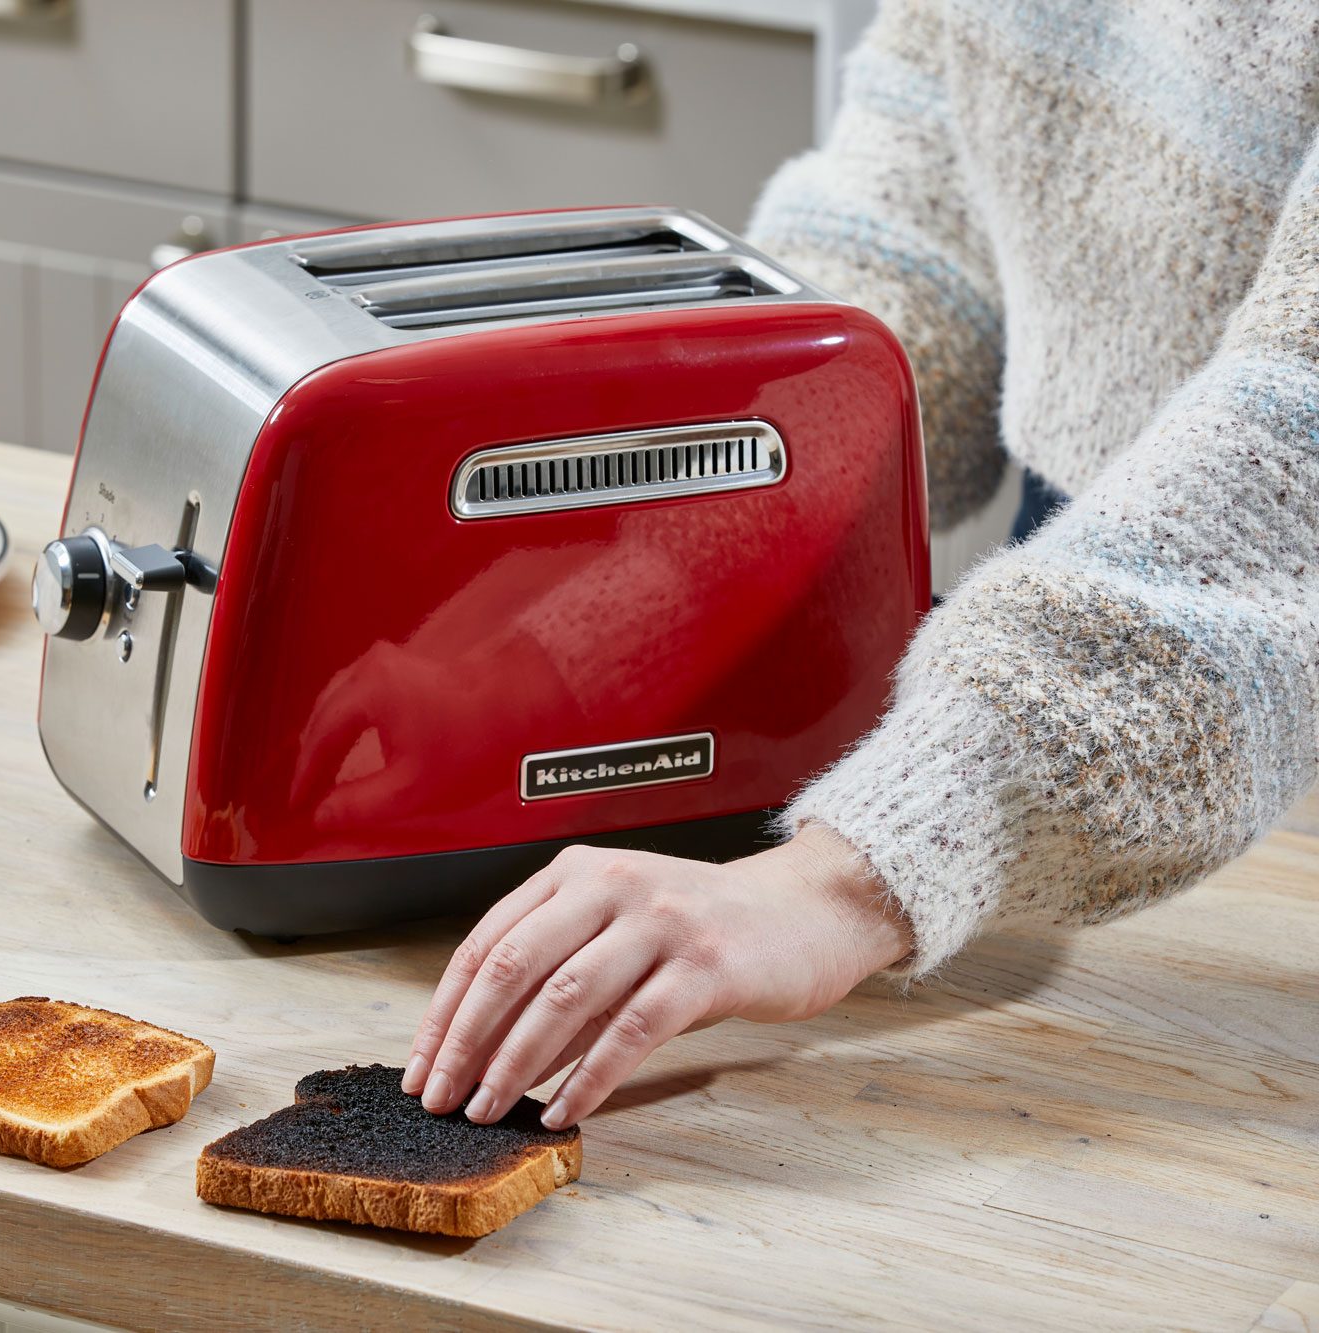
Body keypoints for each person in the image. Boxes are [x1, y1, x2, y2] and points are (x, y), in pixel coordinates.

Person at [403, 0, 1319, 1131]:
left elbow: (1293, 466)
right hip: (1083, 643)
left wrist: (854, 874)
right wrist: (580, 633)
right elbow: (905, 254)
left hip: (1209, 660)